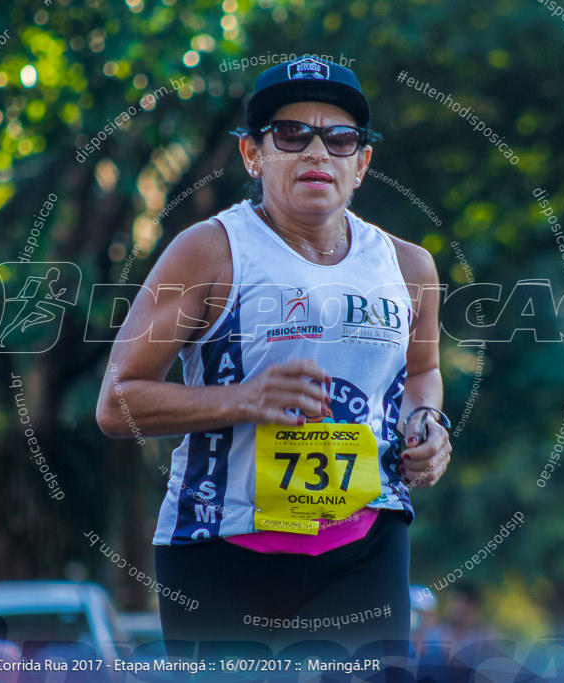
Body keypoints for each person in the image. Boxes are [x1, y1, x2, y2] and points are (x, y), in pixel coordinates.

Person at [96, 56, 451, 654]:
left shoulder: (408, 266)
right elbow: (116, 404)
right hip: (220, 547)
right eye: (291, 134)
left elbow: (423, 372)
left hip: (365, 543)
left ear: (361, 164)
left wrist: (428, 422)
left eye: (340, 138)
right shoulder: (209, 251)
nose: (317, 152)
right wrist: (244, 400)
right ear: (253, 155)